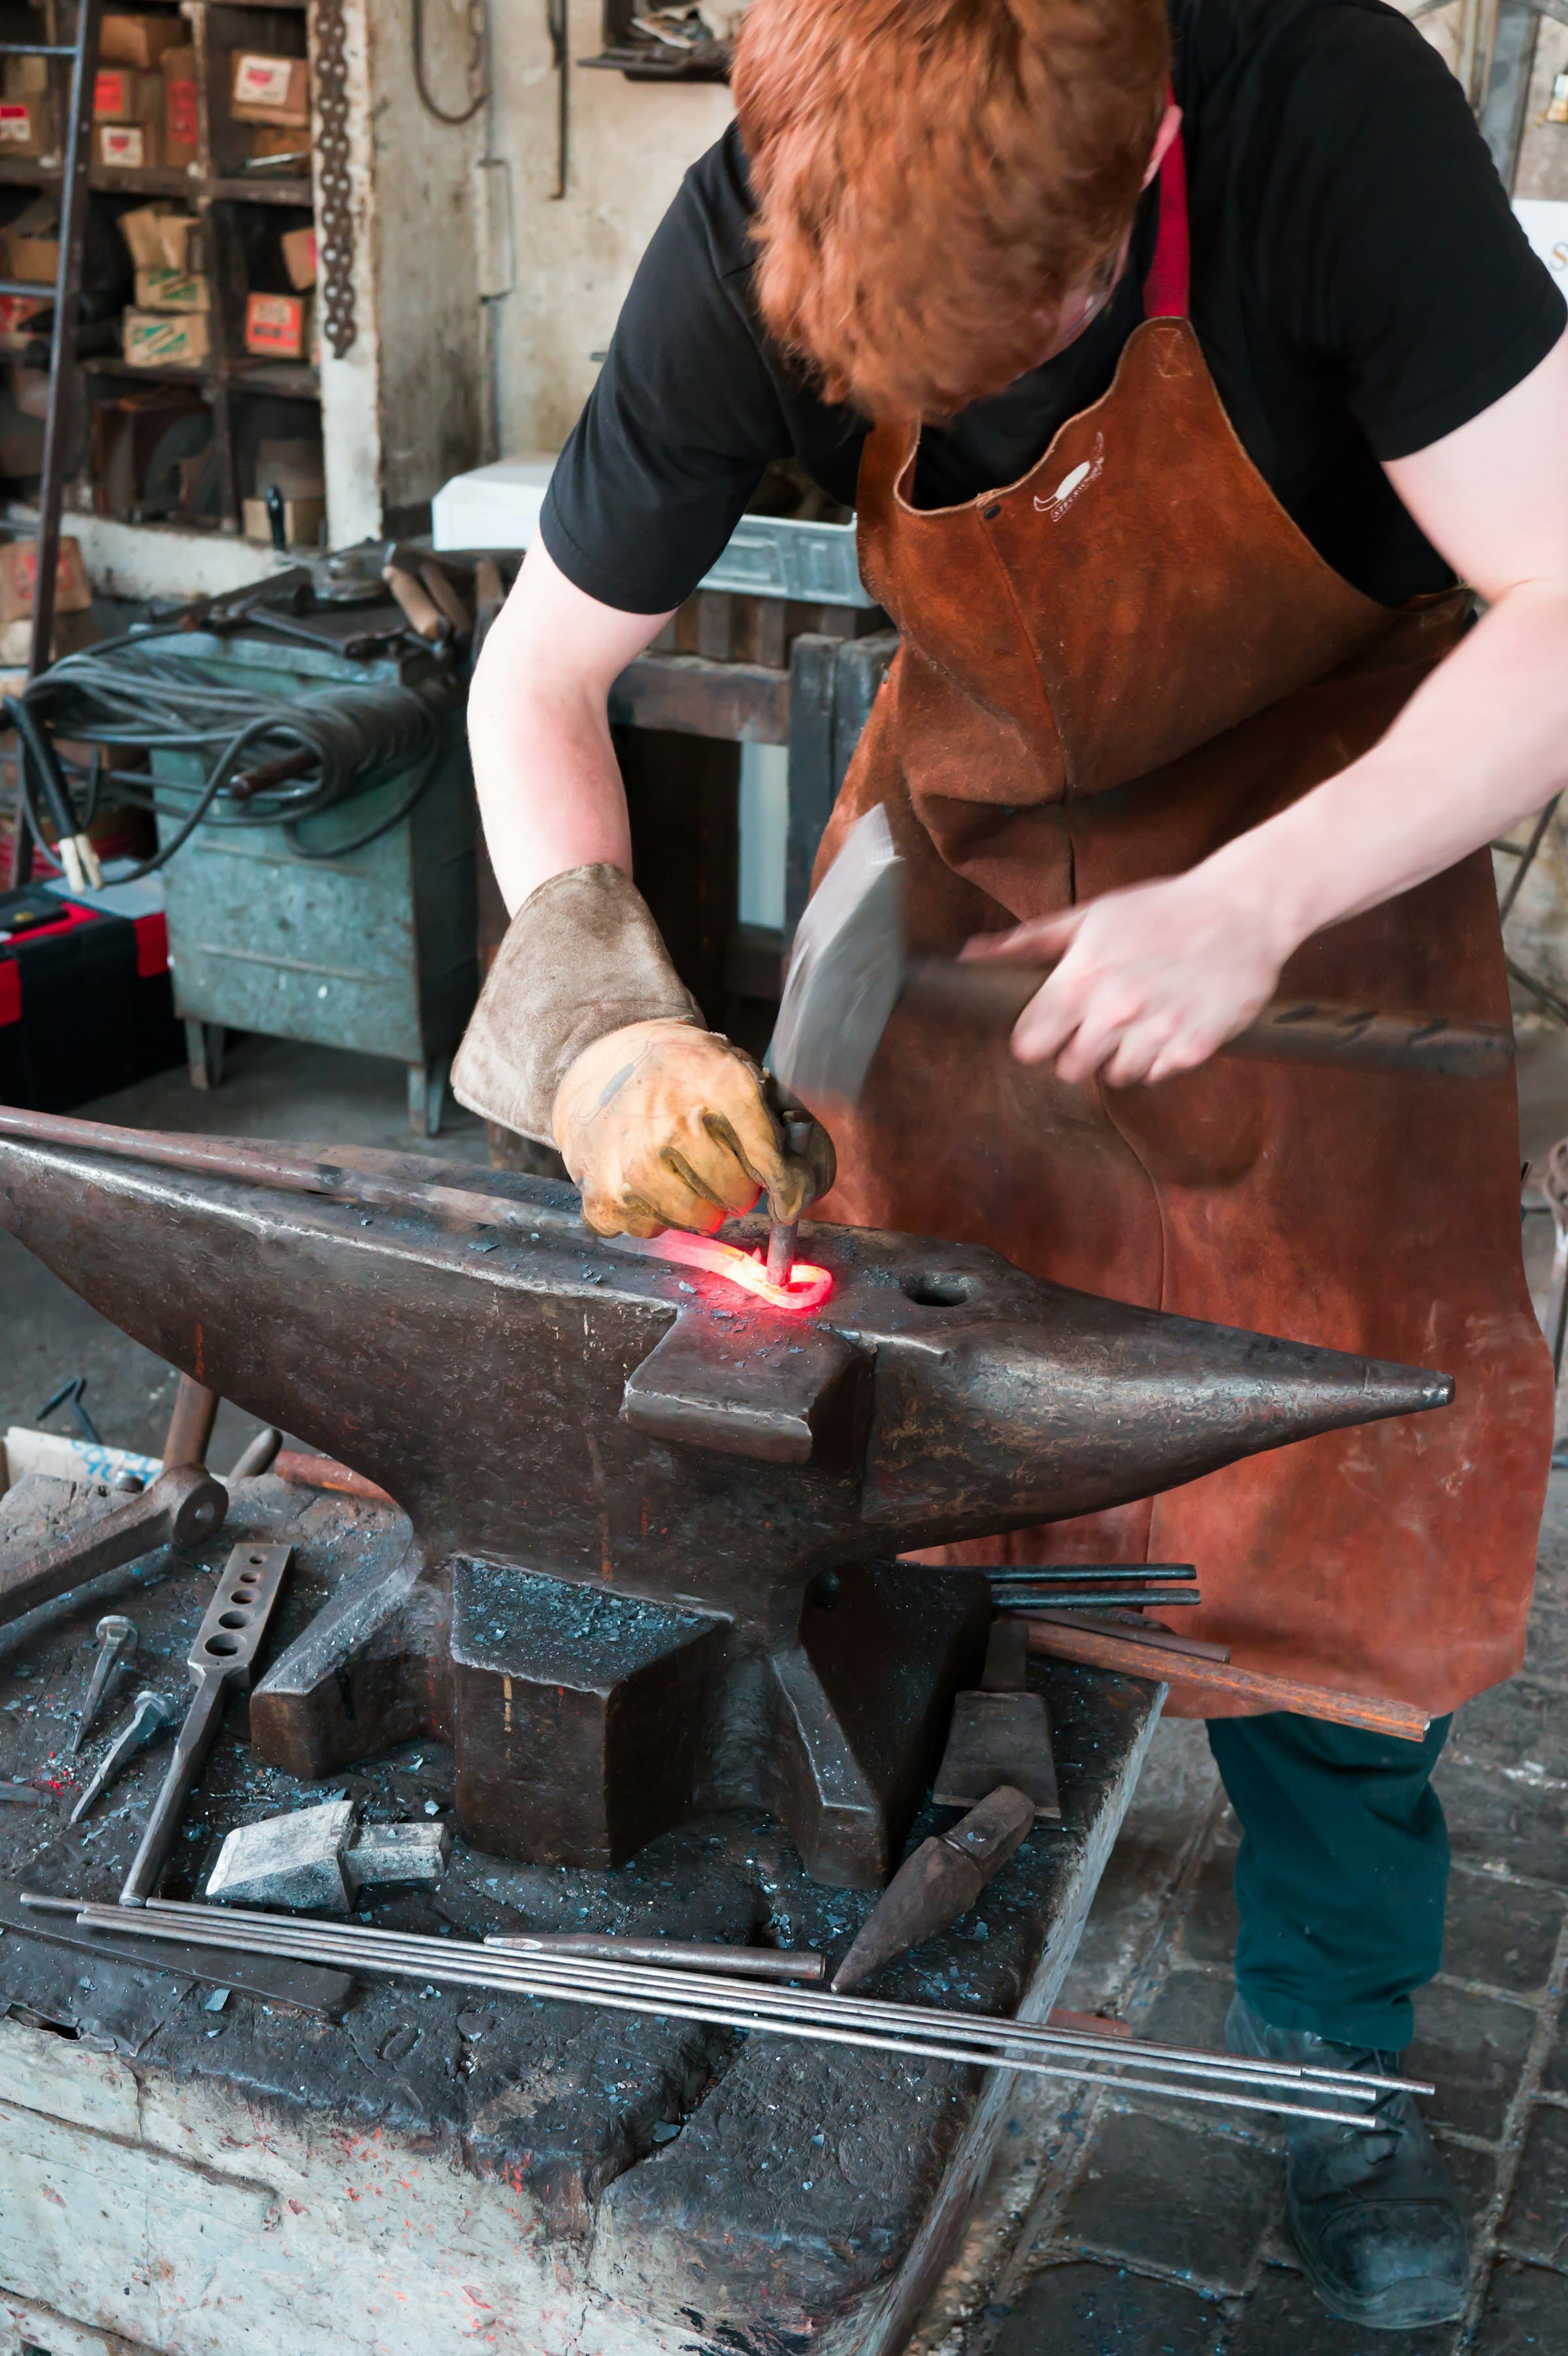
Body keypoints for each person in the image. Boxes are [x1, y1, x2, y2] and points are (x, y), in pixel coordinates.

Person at [453, 0, 1566, 2323]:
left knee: (1323, 1571)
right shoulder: (765, 212)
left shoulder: (1327, 123)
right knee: (891, 1465)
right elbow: (536, 682)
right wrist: (601, 1027)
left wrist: (1256, 900)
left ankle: (1343, 2087)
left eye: (1028, 335)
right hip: (959, 906)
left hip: (1334, 895)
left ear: (1146, 151)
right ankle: (929, 1943)